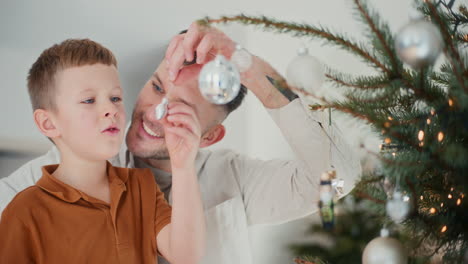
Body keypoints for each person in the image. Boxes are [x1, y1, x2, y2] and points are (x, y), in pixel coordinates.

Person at [0, 23, 361, 264]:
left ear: (210, 136)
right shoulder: (35, 189)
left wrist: (244, 62)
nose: (155, 114)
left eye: (182, 110)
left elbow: (336, 176)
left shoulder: (232, 179)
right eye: (156, 88)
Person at [0, 39, 205, 264]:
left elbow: (186, 257)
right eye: (89, 100)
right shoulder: (25, 211)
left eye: (115, 98)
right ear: (48, 123)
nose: (111, 110)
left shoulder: (142, 187)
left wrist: (183, 165)